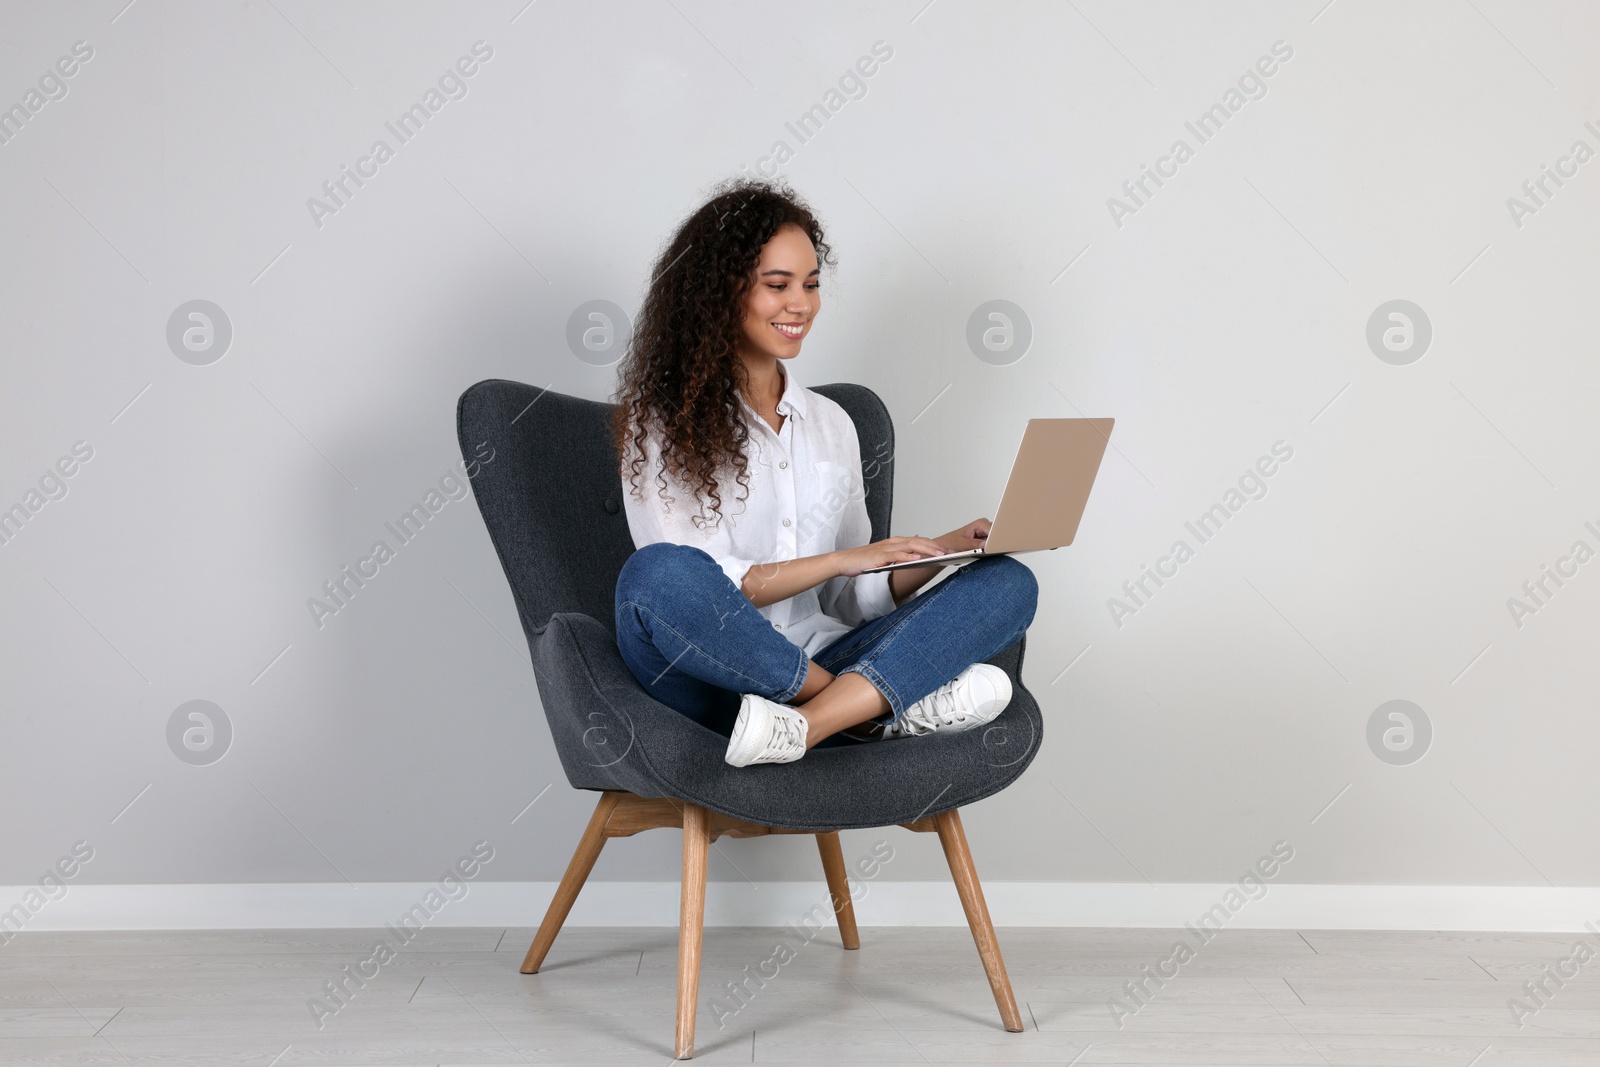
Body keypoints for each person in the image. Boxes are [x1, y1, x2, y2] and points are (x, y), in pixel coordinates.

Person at [609, 177, 1038, 767]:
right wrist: (839, 560)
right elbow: (698, 589)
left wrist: (938, 552)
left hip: (828, 659)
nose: (802, 305)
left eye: (811, 284)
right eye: (777, 285)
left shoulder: (833, 424)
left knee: (1009, 584)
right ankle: (874, 710)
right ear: (718, 294)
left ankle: (808, 727)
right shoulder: (663, 422)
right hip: (715, 682)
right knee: (654, 576)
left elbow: (848, 603)